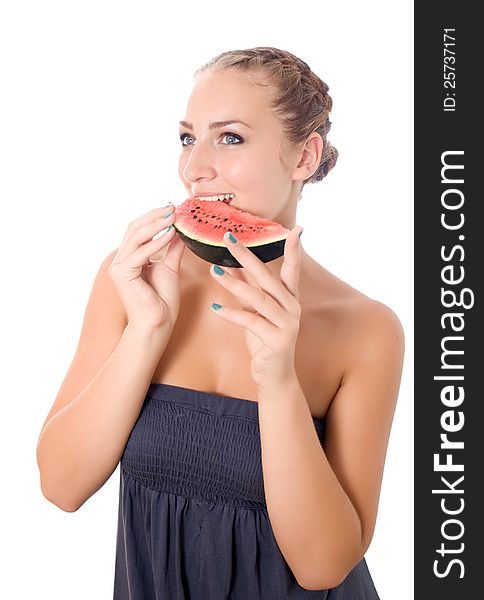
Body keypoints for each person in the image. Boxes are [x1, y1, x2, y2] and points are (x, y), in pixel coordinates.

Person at [36, 47, 404, 599]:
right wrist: (145, 332)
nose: (194, 169)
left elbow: (324, 567)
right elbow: (61, 487)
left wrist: (277, 379)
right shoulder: (135, 281)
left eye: (229, 138)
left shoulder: (366, 329)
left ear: (305, 156)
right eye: (188, 138)